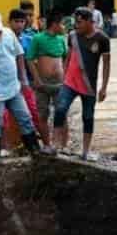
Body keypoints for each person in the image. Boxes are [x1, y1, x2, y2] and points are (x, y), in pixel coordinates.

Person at [0, 10, 40, 164]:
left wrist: (23, 81)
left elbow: (19, 55)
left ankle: (35, 151)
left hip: (13, 88)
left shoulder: (9, 34)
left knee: (25, 118)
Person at [53, 7, 111, 160]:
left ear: (89, 22)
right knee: (60, 109)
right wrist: (63, 77)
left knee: (88, 117)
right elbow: (69, 57)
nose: (76, 26)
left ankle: (85, 151)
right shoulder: (72, 36)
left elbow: (106, 64)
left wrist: (104, 87)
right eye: (75, 22)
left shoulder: (103, 39)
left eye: (79, 22)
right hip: (70, 82)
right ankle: (55, 145)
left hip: (89, 86)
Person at [7, 8, 46, 148]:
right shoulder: (3, 38)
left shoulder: (29, 39)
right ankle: (10, 145)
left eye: (22, 21)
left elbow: (34, 61)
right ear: (9, 22)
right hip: (7, 83)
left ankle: (43, 142)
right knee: (7, 117)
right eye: (16, 21)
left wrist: (36, 78)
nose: (19, 24)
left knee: (33, 111)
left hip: (26, 82)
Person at [27, 13, 67, 149]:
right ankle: (47, 144)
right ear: (54, 24)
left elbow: (66, 59)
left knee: (62, 114)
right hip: (42, 84)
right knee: (42, 115)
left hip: (60, 85)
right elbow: (30, 59)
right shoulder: (38, 38)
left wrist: (66, 77)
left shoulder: (62, 39)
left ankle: (63, 146)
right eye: (62, 23)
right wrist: (36, 78)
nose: (64, 26)